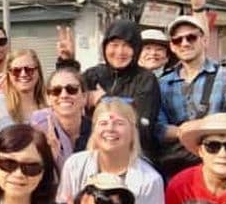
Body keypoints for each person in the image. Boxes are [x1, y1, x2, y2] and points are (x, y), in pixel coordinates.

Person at [157, 14, 226, 177]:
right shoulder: (162, 84)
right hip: (175, 172)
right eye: (178, 40)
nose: (185, 43)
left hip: (222, 170)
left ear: (204, 40)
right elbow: (157, 128)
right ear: (172, 46)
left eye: (191, 37)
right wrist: (186, 131)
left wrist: (203, 125)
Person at [61, 18, 161, 158]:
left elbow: (143, 127)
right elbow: (67, 93)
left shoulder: (145, 80)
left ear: (136, 49)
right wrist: (67, 62)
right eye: (114, 45)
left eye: (127, 45)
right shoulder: (93, 74)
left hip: (133, 158)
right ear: (105, 46)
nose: (120, 51)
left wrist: (103, 101)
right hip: (92, 155)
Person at [30, 68, 91, 171]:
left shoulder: (97, 131)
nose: (64, 95)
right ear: (48, 98)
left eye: (72, 89)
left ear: (84, 97)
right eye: (56, 91)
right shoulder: (37, 131)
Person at [0, 49, 47, 134]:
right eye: (17, 71)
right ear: (9, 74)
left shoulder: (49, 104)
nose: (23, 74)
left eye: (29, 69)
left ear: (38, 72)